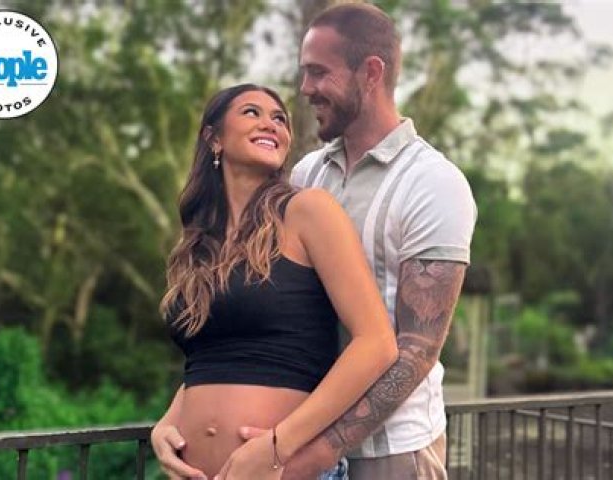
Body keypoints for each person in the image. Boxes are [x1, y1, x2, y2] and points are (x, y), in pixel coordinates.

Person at [238, 4, 477, 479]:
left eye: (318, 72)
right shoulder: (306, 175)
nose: (305, 88)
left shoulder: (434, 183)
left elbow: (417, 350)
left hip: (392, 453)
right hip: (296, 436)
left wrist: (315, 455)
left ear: (370, 73)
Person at [150, 83, 398, 480]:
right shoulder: (198, 244)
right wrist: (165, 426)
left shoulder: (307, 211)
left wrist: (277, 446)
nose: (271, 124)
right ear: (213, 138)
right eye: (252, 112)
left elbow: (377, 344)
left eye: (279, 118)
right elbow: (209, 359)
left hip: (284, 471)